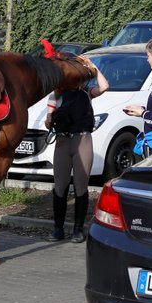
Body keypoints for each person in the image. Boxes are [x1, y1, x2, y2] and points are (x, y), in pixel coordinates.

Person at [45, 55, 109, 243]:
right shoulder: (57, 93)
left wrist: (92, 66)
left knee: (81, 184)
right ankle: (57, 229)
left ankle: (78, 229)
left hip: (82, 139)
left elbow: (105, 86)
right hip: (63, 142)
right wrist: (51, 119)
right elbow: (48, 121)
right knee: (60, 185)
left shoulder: (87, 92)